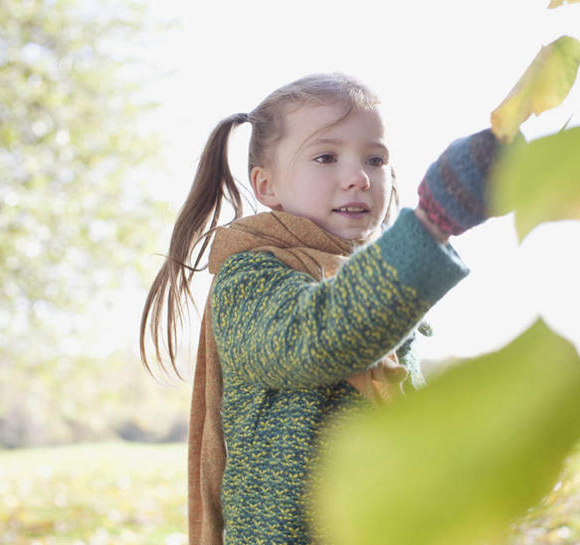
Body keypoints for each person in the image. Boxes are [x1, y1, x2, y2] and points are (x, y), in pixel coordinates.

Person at [140, 72, 502, 545]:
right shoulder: (249, 279)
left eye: (375, 158)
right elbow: (319, 339)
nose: (358, 177)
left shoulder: (379, 283)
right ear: (266, 186)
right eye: (326, 157)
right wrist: (431, 226)